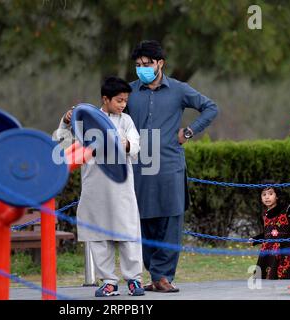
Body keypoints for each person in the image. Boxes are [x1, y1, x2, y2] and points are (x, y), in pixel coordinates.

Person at [126, 40, 219, 292]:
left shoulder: (178, 89)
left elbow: (210, 108)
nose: (142, 68)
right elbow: (108, 113)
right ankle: (155, 273)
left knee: (171, 218)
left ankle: (163, 276)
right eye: (138, 65)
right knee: (143, 220)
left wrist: (189, 131)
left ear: (160, 64)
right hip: (140, 164)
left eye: (147, 64)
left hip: (169, 162)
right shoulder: (129, 92)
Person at [56, 76, 144, 297]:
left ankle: (134, 279)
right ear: (105, 99)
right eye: (119, 100)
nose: (123, 105)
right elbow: (64, 143)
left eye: (125, 101)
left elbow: (135, 147)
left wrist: (122, 142)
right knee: (98, 235)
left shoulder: (126, 121)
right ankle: (108, 281)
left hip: (121, 187)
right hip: (94, 186)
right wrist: (67, 121)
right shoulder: (86, 120)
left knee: (128, 233)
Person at [250, 186, 290, 279]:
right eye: (264, 195)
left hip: (283, 251)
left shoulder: (286, 210)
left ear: (277, 197)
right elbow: (268, 234)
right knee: (265, 280)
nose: (267, 197)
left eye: (270, 194)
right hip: (267, 253)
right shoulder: (265, 215)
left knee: (283, 279)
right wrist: (255, 239)